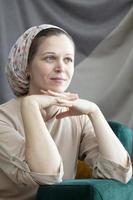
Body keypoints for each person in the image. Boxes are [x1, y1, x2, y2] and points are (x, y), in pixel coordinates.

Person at [0, 24, 132, 200]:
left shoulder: (78, 118)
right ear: (26, 67)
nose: (61, 67)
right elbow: (47, 175)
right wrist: (30, 106)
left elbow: (119, 173)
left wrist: (94, 111)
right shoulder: (3, 119)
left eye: (68, 59)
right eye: (50, 58)